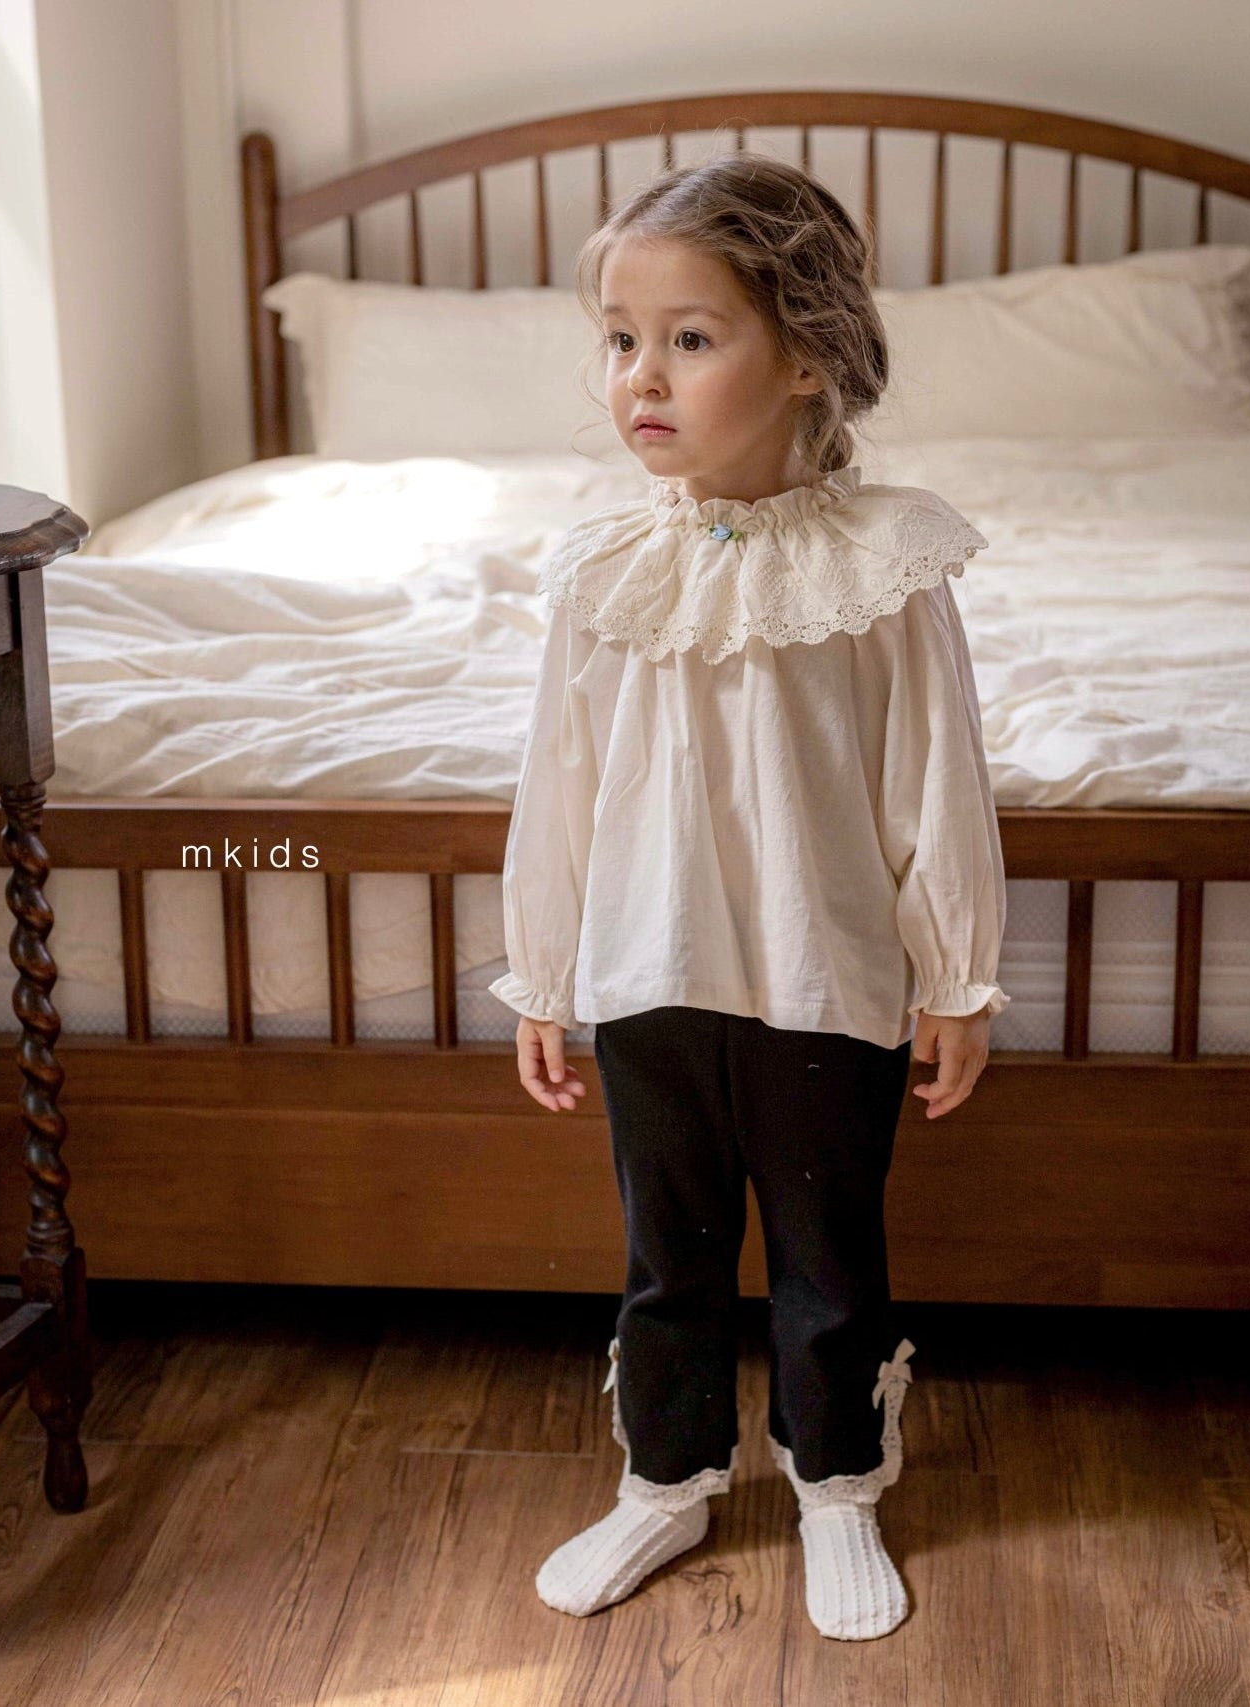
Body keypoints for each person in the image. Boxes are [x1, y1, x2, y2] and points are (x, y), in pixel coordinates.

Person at [487, 152, 1009, 1643]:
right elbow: (560, 787)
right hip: (648, 974)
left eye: (691, 338)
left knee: (827, 1264)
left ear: (806, 358)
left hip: (823, 979)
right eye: (620, 338)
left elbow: (935, 781)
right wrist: (543, 977)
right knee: (670, 1260)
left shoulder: (886, 563)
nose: (641, 377)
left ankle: (836, 1486)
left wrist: (957, 977)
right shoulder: (601, 569)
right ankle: (665, 1482)